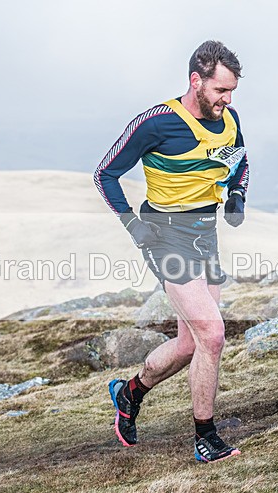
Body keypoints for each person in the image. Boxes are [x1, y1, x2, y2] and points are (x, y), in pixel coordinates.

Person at [94, 40, 249, 463]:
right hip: (165, 236)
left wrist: (237, 195)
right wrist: (133, 224)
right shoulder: (157, 123)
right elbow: (105, 174)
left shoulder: (229, 119)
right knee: (213, 335)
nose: (227, 99)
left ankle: (129, 393)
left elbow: (240, 160)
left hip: (205, 234)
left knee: (189, 345)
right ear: (196, 81)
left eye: (232, 91)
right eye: (221, 90)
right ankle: (205, 437)